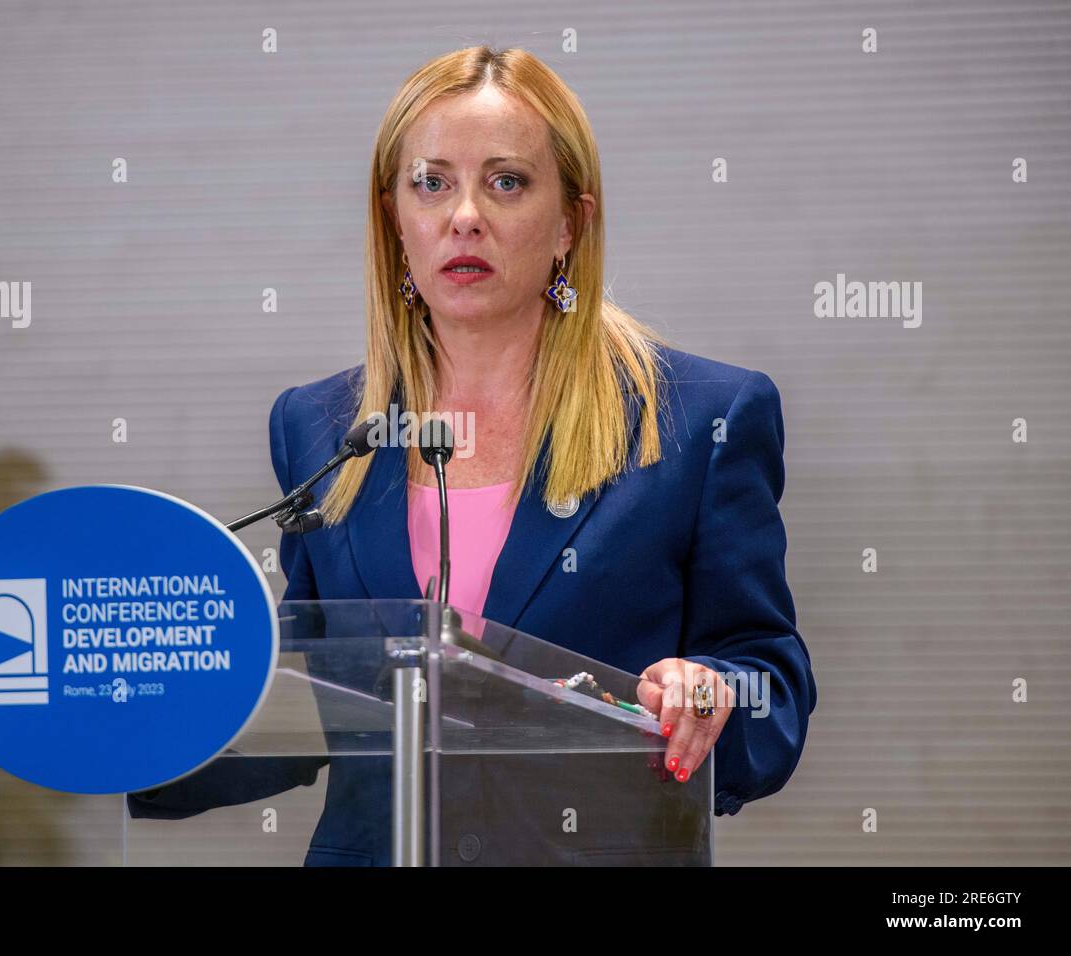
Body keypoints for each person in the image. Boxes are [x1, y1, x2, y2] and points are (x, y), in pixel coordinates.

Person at [129, 45, 817, 866]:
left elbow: (766, 685)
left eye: (507, 182)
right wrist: (128, 740)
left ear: (572, 223)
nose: (463, 216)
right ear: (394, 219)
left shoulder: (698, 421)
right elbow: (318, 705)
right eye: (431, 183)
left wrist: (707, 693)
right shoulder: (320, 429)